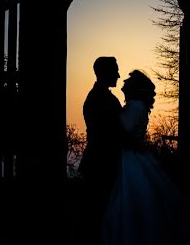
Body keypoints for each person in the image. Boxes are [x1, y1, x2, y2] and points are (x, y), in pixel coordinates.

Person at [103, 70, 188, 245]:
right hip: (133, 155)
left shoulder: (135, 107)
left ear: (134, 87)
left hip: (130, 158)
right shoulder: (137, 106)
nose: (124, 82)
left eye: (128, 81)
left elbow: (123, 133)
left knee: (131, 199)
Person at [79, 56, 123, 245]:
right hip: (100, 163)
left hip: (102, 162)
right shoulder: (99, 99)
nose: (119, 75)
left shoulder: (104, 97)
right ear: (106, 72)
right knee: (98, 214)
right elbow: (110, 132)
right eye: (116, 70)